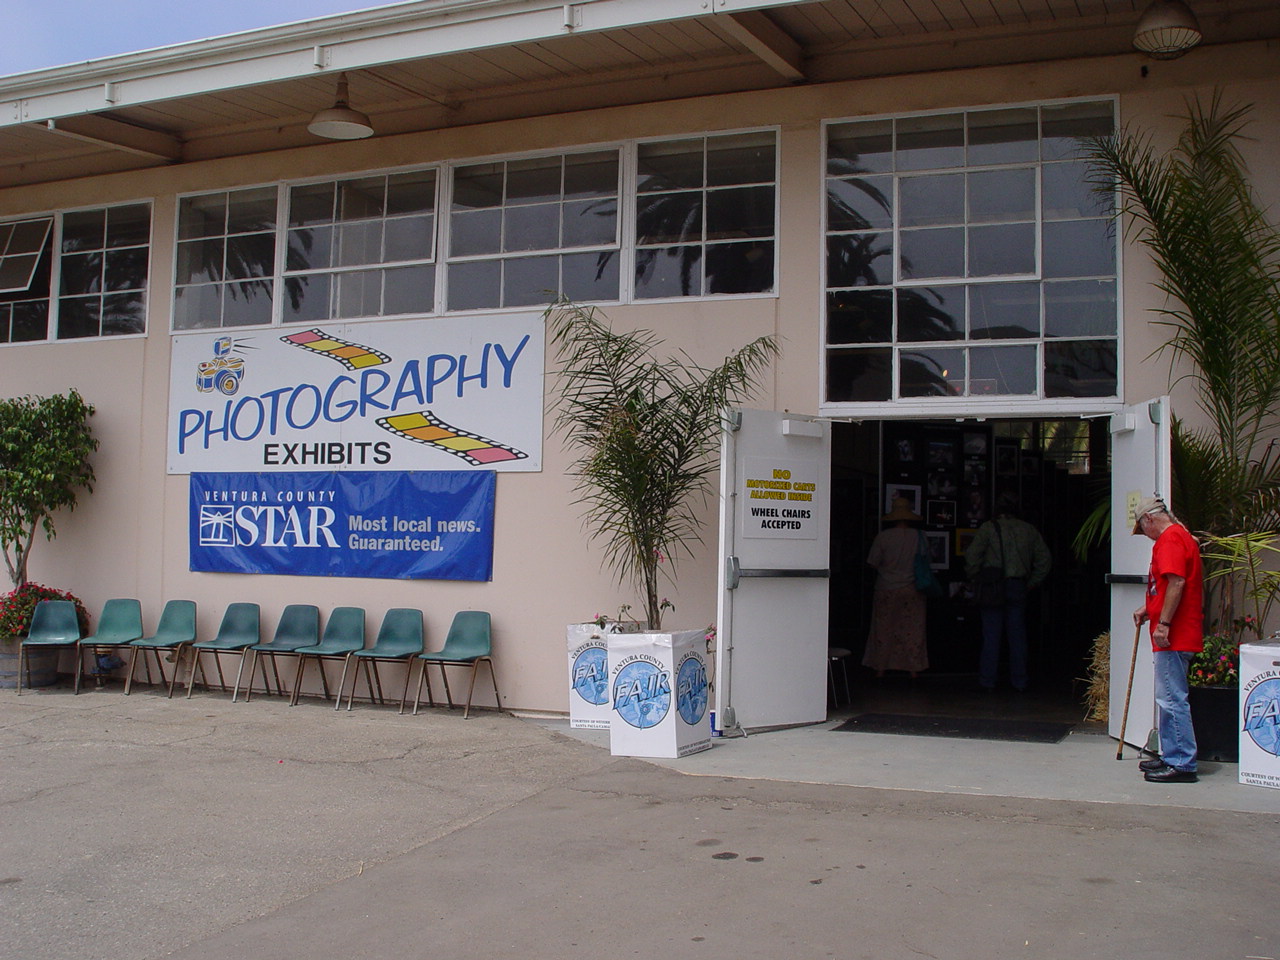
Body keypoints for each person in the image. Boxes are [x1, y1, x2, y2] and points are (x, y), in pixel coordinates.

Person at [1131, 495, 1203, 784]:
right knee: (1170, 696)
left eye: (1142, 528)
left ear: (1149, 519)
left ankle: (1181, 761)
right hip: (1177, 630)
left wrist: (1163, 623)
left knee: (1172, 697)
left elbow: (1177, 582)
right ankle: (1172, 753)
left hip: (1175, 633)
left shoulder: (1171, 539)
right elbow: (1168, 587)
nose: (1145, 535)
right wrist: (1150, 609)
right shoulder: (1179, 536)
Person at [964, 493, 1050, 692]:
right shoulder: (1028, 530)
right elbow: (1044, 560)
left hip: (992, 586)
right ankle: (1020, 681)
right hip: (1018, 585)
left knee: (991, 635)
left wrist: (975, 577)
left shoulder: (988, 528)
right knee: (1017, 636)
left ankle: (988, 681)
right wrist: (1032, 582)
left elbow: (972, 556)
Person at [862, 497, 929, 678]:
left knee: (883, 629)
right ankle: (913, 669)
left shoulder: (883, 537)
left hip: (886, 588)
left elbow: (873, 562)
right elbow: (926, 561)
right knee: (912, 629)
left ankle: (880, 668)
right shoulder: (920, 537)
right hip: (913, 588)